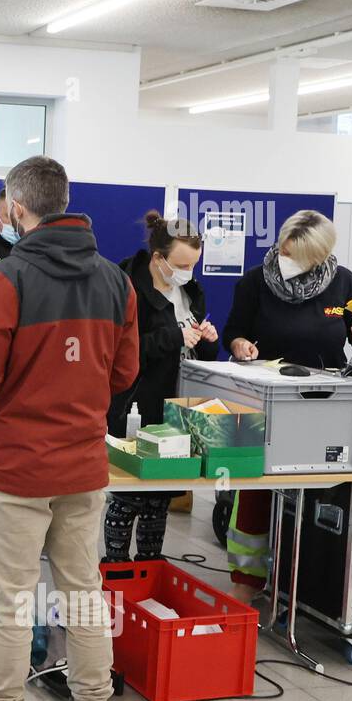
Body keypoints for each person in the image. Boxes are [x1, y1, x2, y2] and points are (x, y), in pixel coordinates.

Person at [0, 155, 139, 701]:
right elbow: (126, 374)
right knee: (82, 596)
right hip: (82, 470)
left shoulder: (6, 279)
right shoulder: (116, 281)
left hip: (13, 472)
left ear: (17, 209)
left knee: (11, 605)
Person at [220, 210, 352, 601]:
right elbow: (234, 331)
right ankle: (246, 583)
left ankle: (309, 582)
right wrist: (238, 344)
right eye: (284, 250)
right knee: (257, 490)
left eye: (297, 255)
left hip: (327, 406)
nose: (286, 259)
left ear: (318, 256)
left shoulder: (344, 286)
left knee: (321, 492)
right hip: (268, 402)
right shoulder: (256, 281)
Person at [102, 212, 219, 564]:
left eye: (193, 265)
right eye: (181, 264)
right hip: (135, 404)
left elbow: (198, 352)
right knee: (129, 496)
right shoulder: (126, 287)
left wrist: (208, 340)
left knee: (162, 495)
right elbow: (117, 349)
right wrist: (171, 336)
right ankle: (117, 568)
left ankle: (151, 566)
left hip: (176, 408)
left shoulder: (191, 293)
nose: (187, 273)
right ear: (158, 258)